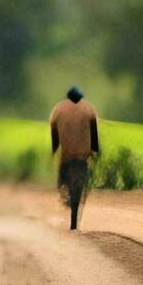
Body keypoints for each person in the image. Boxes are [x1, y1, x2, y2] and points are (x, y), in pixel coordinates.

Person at [49, 86, 99, 230]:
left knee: (62, 183)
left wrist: (54, 150)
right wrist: (96, 152)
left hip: (67, 157)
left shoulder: (58, 110)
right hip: (82, 158)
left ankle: (68, 200)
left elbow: (54, 136)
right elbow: (94, 135)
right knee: (80, 186)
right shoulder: (89, 109)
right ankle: (74, 217)